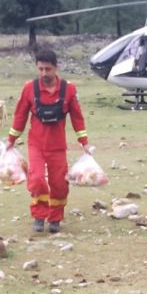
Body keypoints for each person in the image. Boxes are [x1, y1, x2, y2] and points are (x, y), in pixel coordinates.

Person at [6, 48, 89, 233]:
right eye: (41, 69)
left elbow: (77, 117)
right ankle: (39, 215)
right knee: (36, 180)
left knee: (59, 183)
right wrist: (11, 139)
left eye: (48, 69)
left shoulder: (69, 89)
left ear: (56, 68)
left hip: (58, 146)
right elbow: (20, 115)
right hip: (36, 144)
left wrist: (84, 142)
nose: (44, 73)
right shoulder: (29, 88)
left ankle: (55, 218)